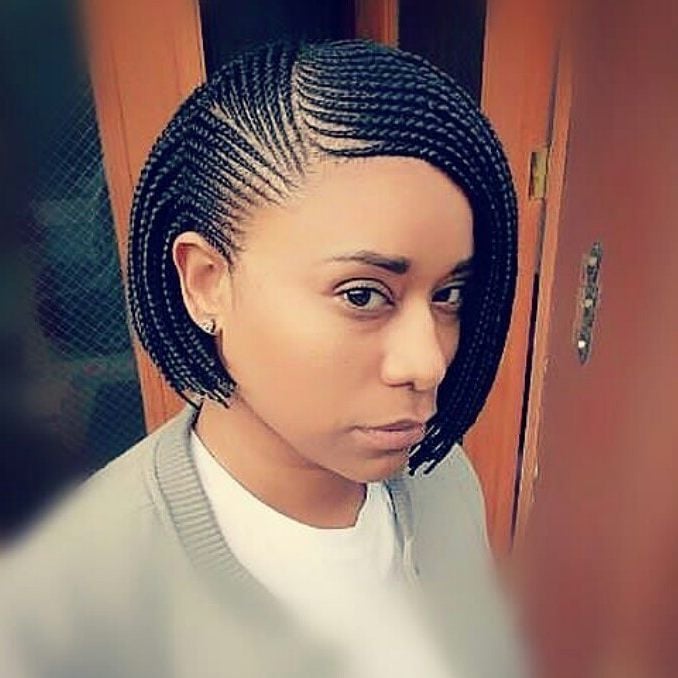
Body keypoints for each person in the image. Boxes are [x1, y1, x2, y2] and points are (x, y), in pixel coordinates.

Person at [0, 39, 527, 677]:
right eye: (363, 294)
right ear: (206, 283)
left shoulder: (442, 481)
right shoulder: (65, 611)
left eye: (449, 295)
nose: (428, 363)